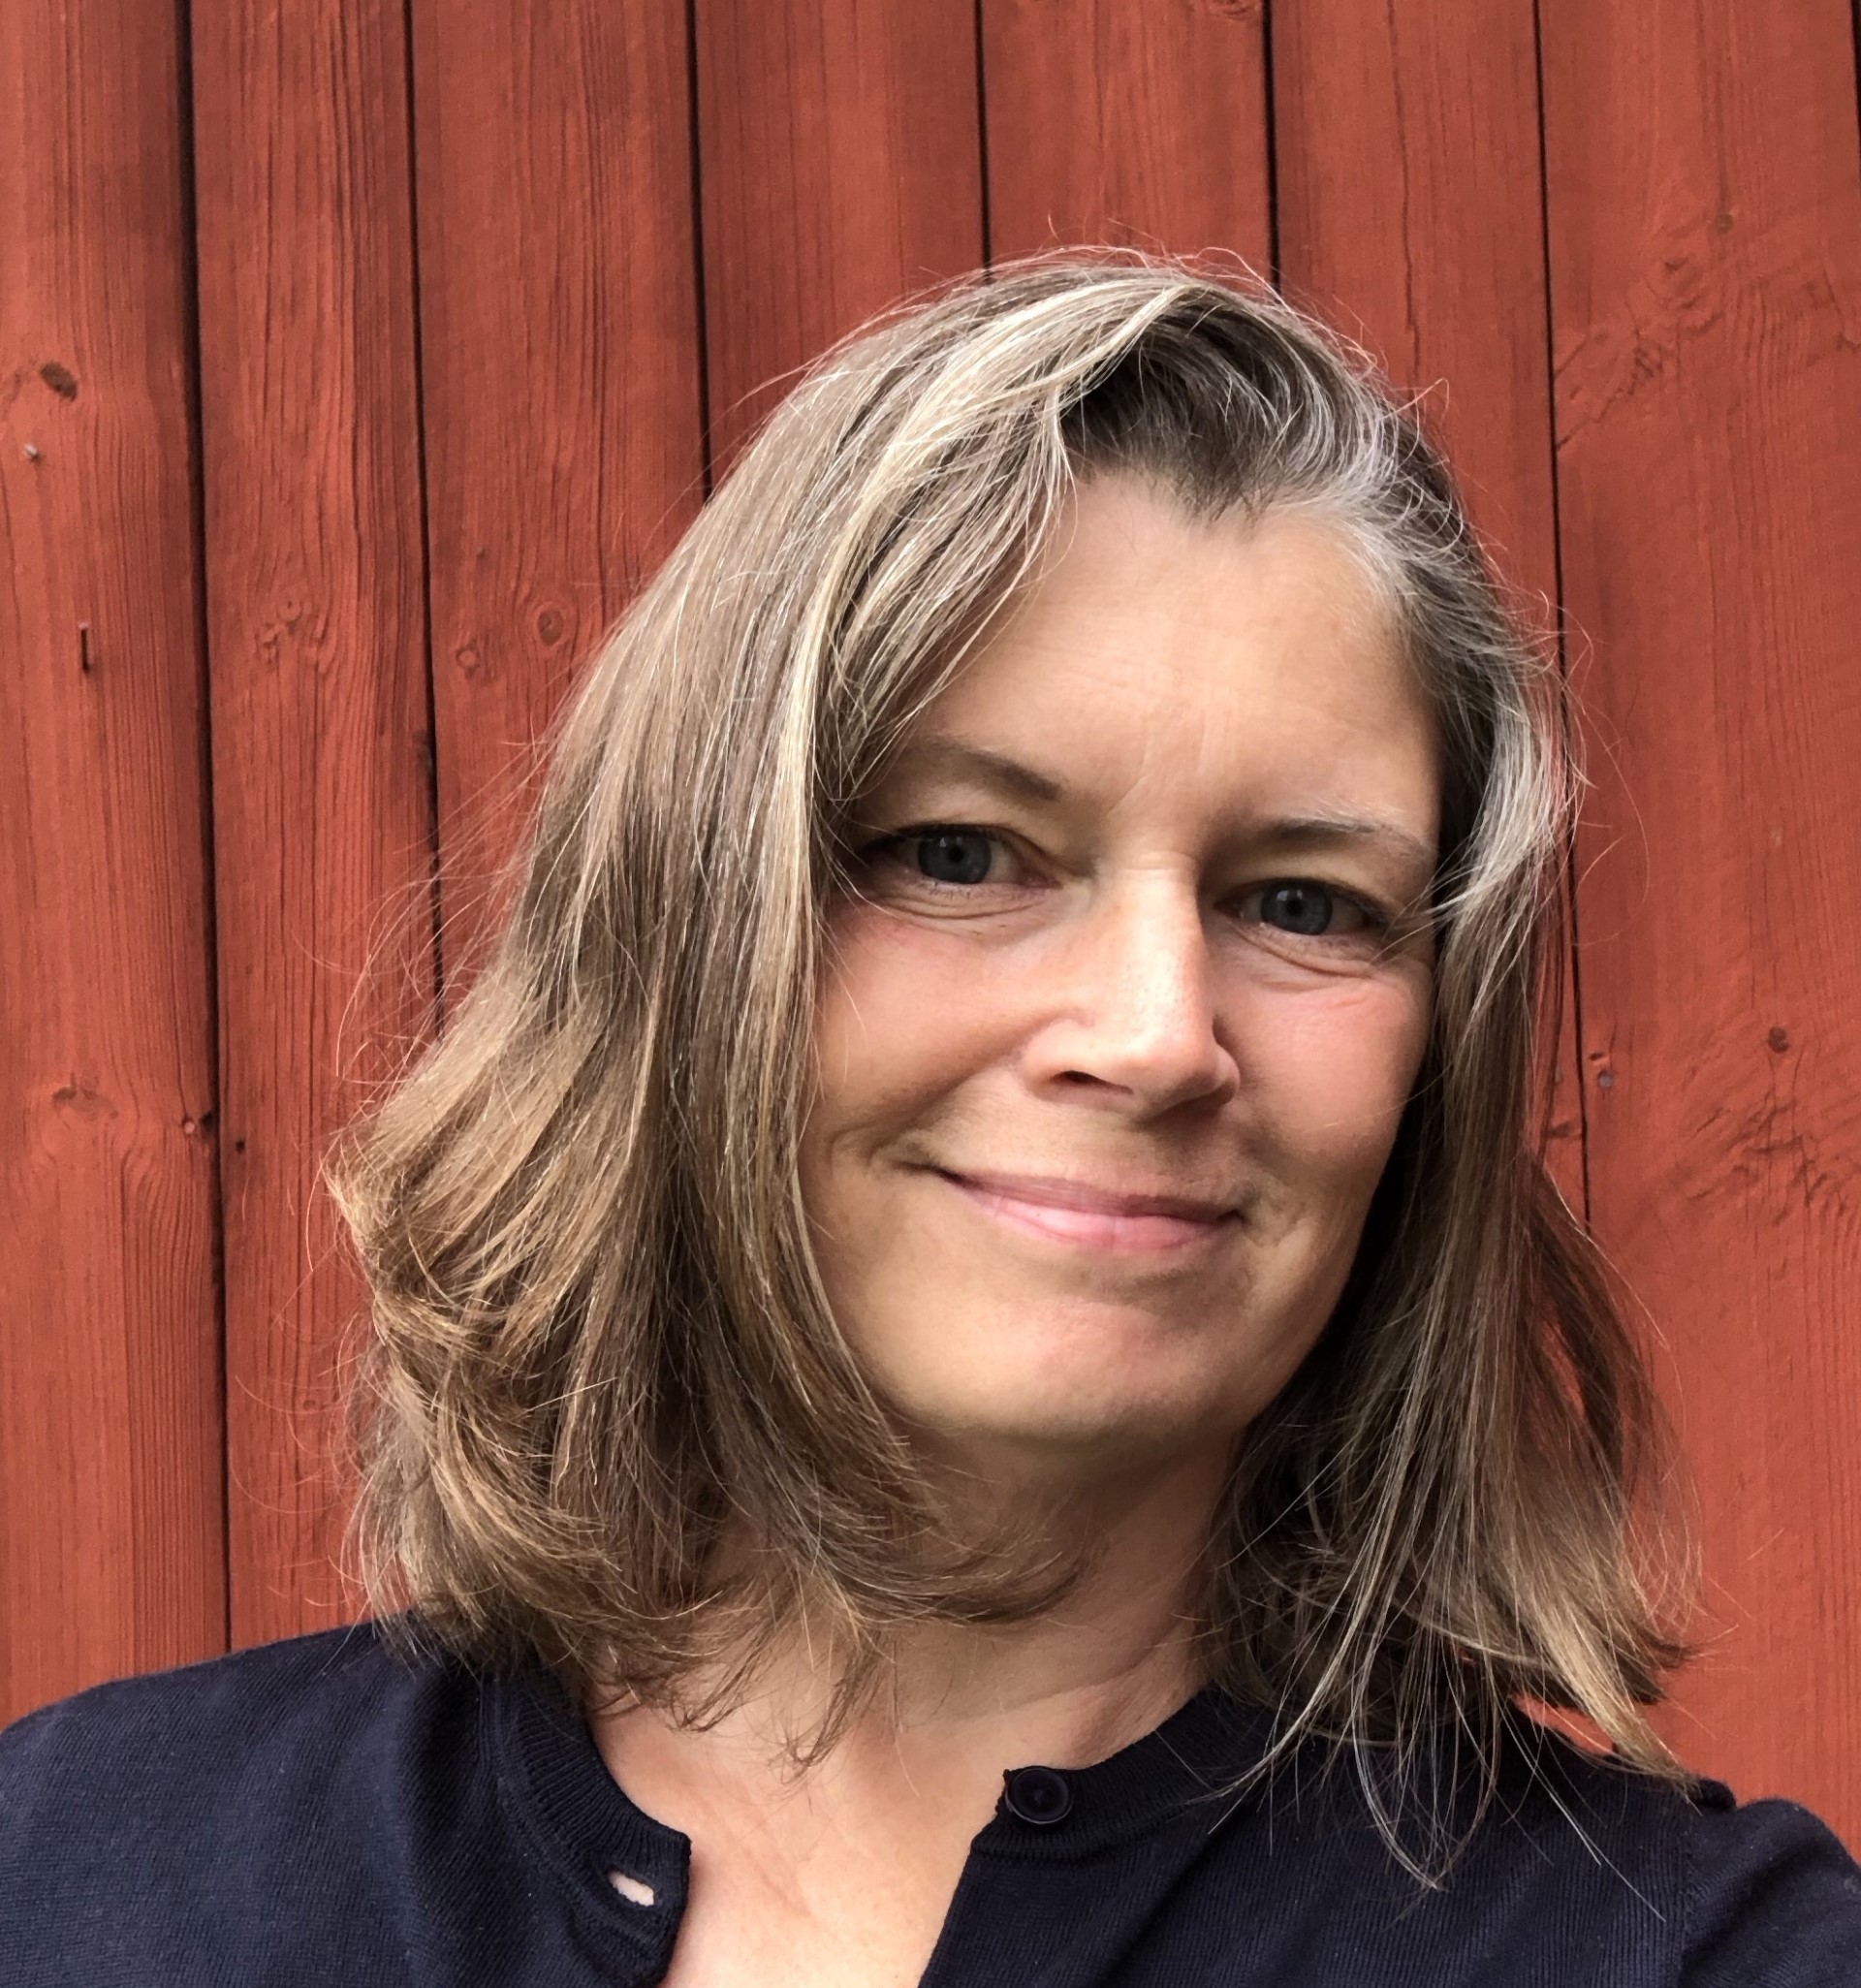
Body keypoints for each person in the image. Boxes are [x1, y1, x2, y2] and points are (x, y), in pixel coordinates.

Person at [3, 254, 1857, 1987]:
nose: (1152, 1037)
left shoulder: (1710, 1957)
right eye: (961, 855)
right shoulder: (87, 1877)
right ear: (685, 931)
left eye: (1304, 901)